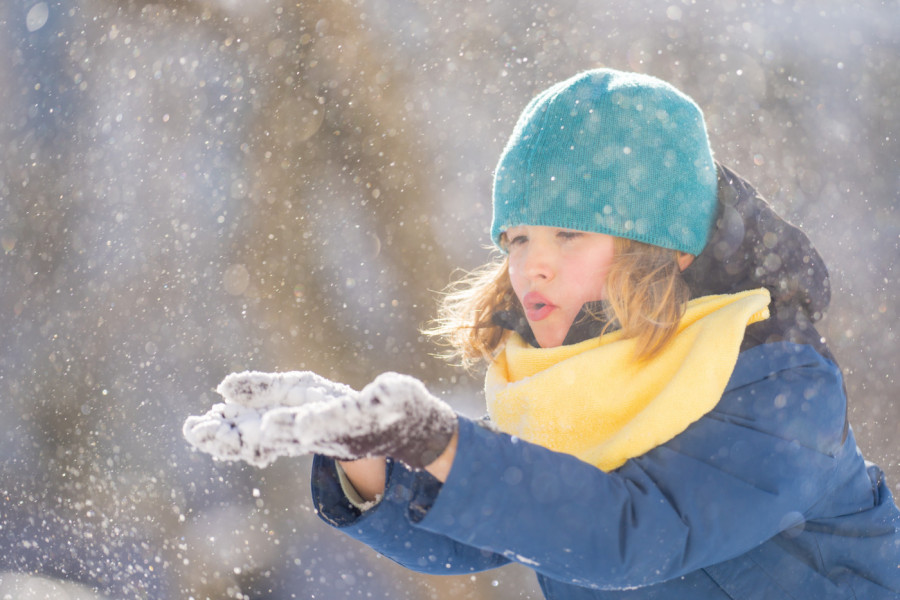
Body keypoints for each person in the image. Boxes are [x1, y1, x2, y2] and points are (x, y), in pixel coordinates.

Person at [184, 69, 900, 599]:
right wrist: (364, 451)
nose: (534, 267)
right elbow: (484, 527)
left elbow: (632, 535)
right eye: (518, 237)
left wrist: (441, 441)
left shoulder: (781, 384)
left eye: (569, 234)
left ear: (670, 247)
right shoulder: (563, 386)